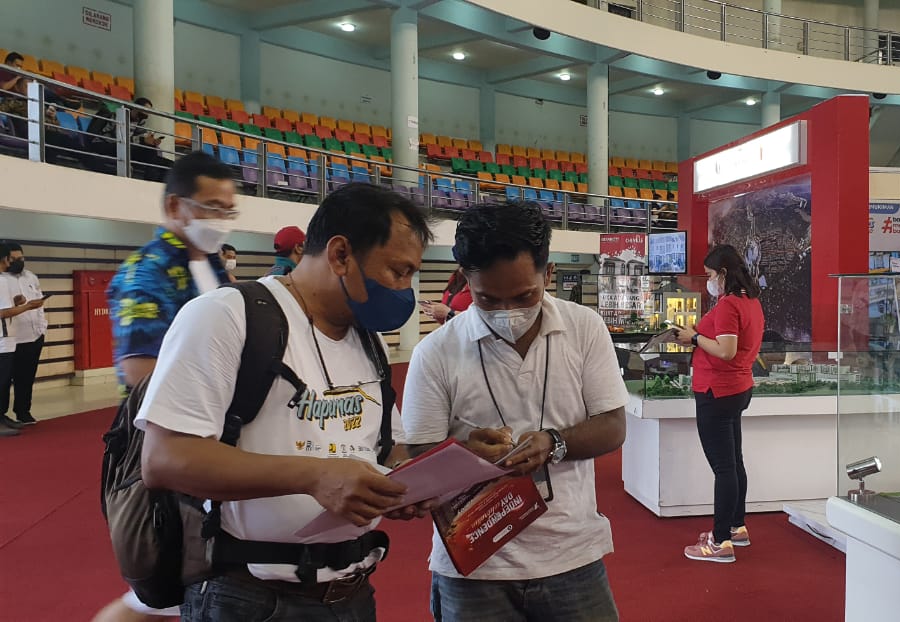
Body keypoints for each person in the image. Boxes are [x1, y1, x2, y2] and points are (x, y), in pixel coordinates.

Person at [133, 183, 434, 621]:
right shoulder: (228, 315)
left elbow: (385, 448)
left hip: (352, 591)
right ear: (340, 255)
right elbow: (165, 459)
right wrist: (316, 477)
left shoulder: (369, 341)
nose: (405, 289)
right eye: (397, 271)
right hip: (249, 597)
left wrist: (418, 481)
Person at [401, 201, 628, 621]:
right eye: (487, 299)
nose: (508, 313)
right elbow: (418, 451)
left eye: (524, 296)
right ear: (465, 279)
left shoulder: (584, 328)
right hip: (474, 562)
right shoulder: (435, 352)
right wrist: (465, 454)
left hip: (571, 554)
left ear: (549, 274)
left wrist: (554, 442)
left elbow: (613, 426)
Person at [94, 152, 237, 622]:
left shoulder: (212, 265)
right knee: (161, 591)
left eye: (228, 210)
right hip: (166, 445)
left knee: (199, 582)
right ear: (176, 207)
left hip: (212, 436)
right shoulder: (146, 272)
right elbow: (140, 374)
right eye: (212, 208)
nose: (221, 220)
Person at [674, 244, 765, 564]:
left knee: (724, 468)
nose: (709, 281)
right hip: (737, 389)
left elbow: (726, 350)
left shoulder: (728, 305)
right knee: (734, 463)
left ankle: (720, 541)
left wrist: (694, 338)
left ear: (723, 273)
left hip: (717, 391)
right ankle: (736, 527)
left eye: (711, 275)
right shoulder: (750, 301)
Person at [0, 241, 48, 426]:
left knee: (26, 377)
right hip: (11, 338)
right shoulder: (3, 279)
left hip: (33, 335)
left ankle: (23, 411)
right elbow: (3, 310)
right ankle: (2, 416)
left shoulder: (31, 276)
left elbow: (36, 303)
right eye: (14, 259)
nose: (18, 262)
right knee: (4, 380)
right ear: (6, 259)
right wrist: (27, 306)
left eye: (21, 258)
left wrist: (42, 327)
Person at [84, 97, 173, 181]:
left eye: (146, 115)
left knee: (169, 164)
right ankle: (149, 181)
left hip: (125, 149)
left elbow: (139, 138)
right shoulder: (119, 116)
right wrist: (141, 140)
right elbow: (118, 138)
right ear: (135, 108)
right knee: (150, 152)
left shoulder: (139, 122)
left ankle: (156, 184)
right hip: (105, 145)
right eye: (142, 113)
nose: (142, 117)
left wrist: (151, 141)